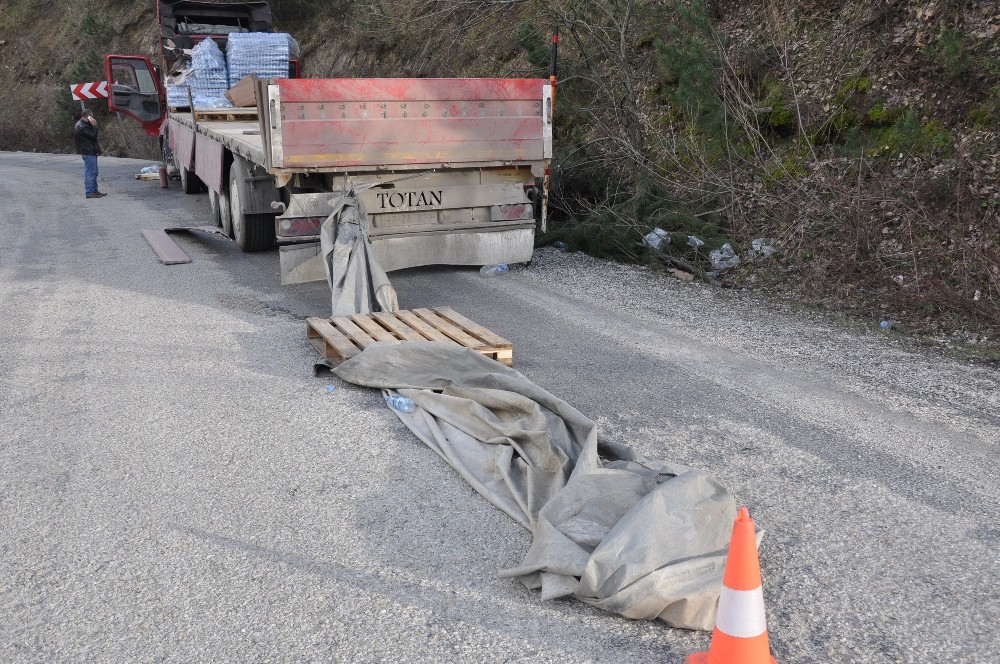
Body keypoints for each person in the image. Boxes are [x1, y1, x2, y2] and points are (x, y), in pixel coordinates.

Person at [74, 108, 106, 198]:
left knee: (94, 172)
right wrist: (94, 126)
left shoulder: (83, 124)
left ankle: (94, 190)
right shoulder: (83, 126)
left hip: (89, 150)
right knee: (90, 172)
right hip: (88, 151)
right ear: (88, 116)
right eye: (91, 116)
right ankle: (89, 192)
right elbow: (93, 136)